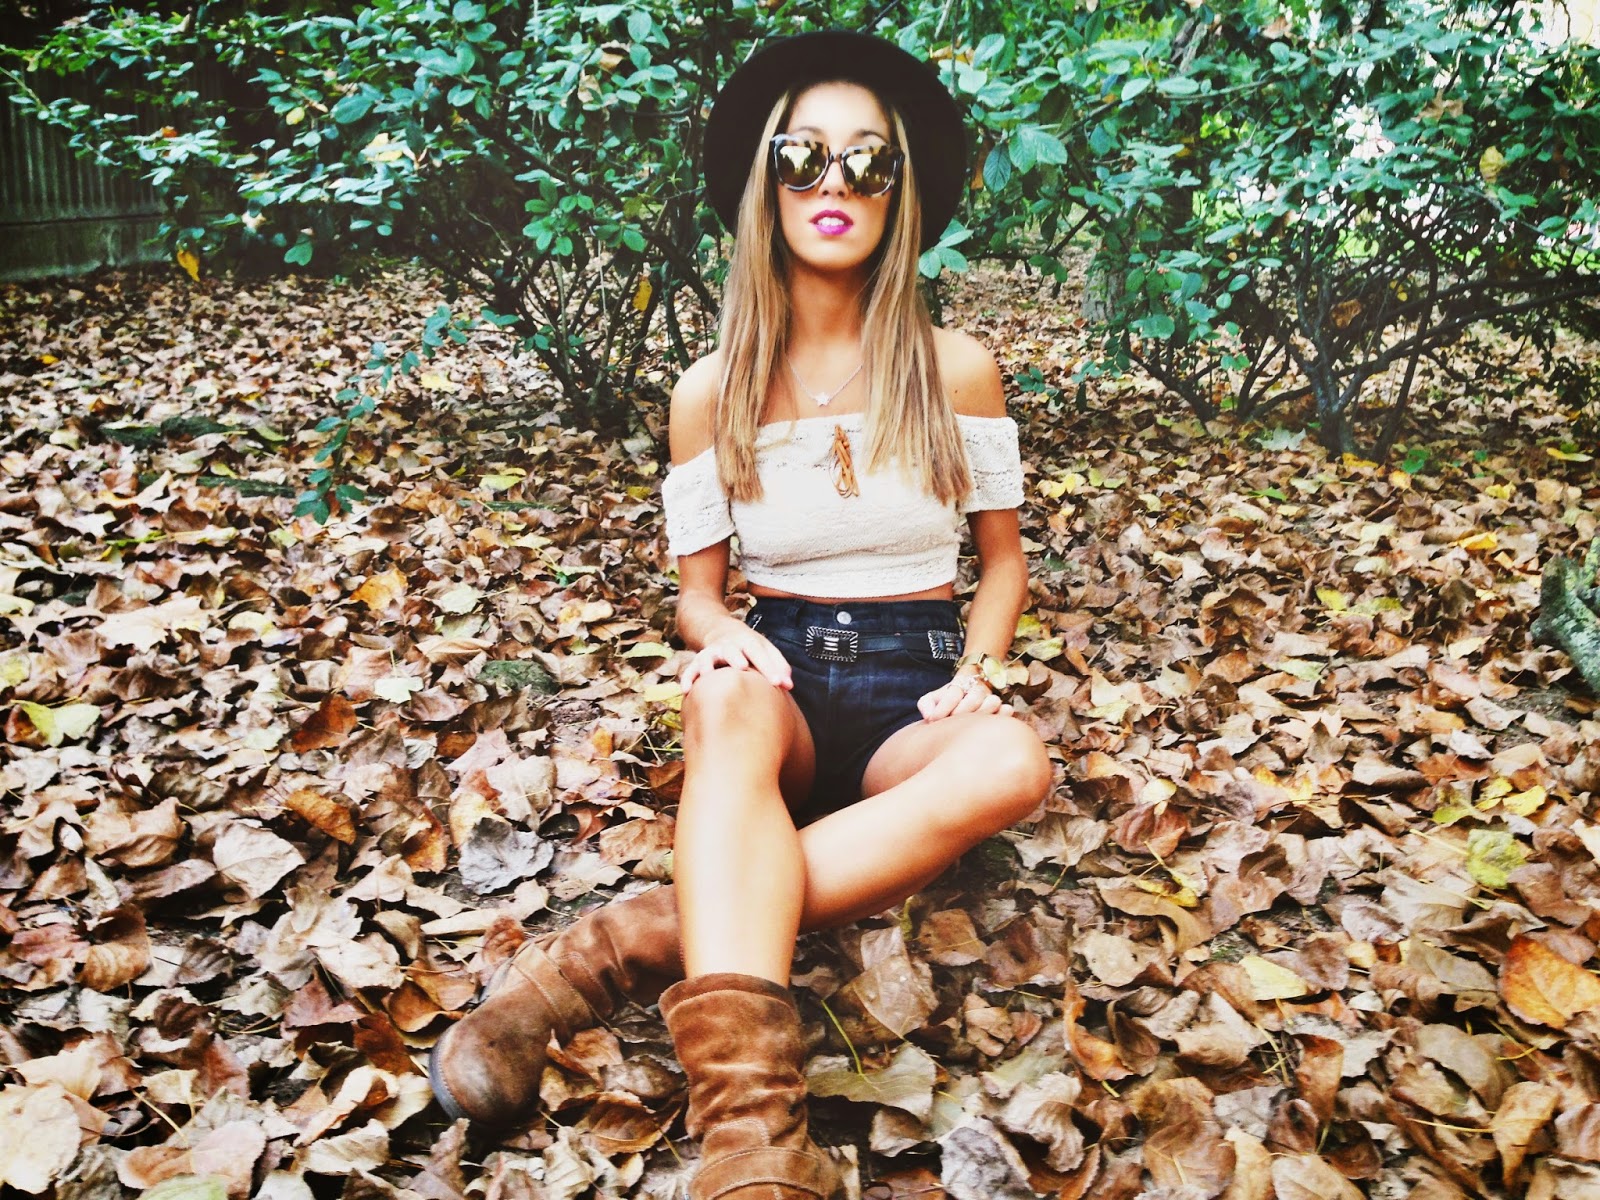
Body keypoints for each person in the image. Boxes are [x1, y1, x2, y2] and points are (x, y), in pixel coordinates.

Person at [429, 30, 1052, 1200]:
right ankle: (752, 1137)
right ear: (766, 183)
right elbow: (698, 596)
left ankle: (606, 953)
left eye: (869, 161)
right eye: (802, 157)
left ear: (902, 191)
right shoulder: (707, 391)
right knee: (721, 699)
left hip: (917, 692)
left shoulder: (956, 365)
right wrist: (719, 635)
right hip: (785, 683)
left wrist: (980, 666)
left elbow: (1003, 565)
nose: (834, 183)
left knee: (1015, 760)